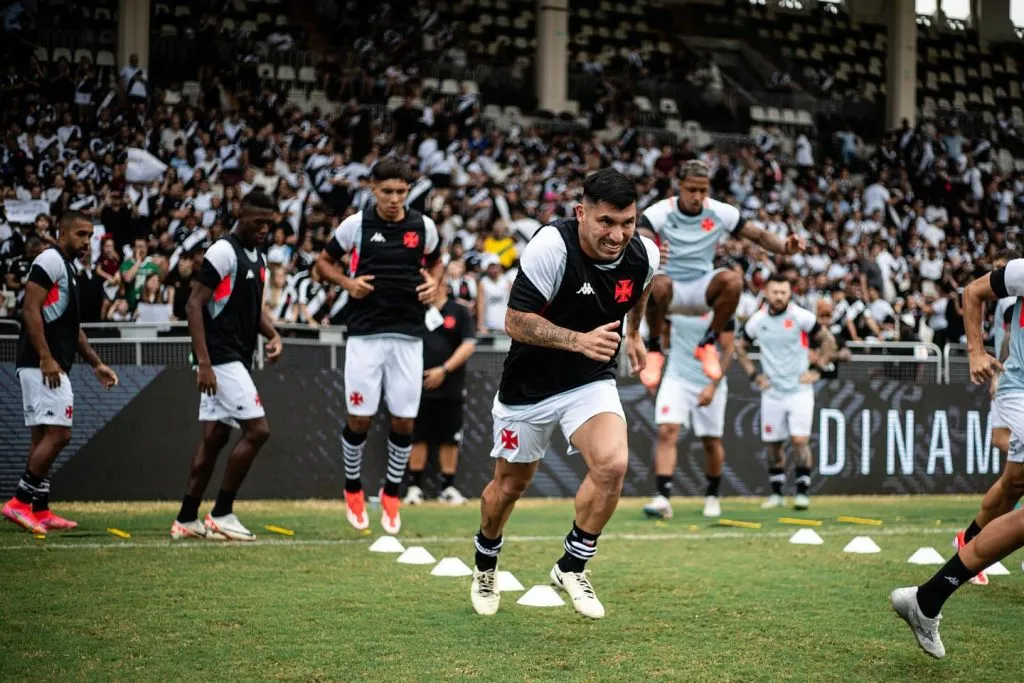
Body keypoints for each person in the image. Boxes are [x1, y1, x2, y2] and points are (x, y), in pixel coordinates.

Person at [469, 169, 659, 619]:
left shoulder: (644, 253)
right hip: (528, 386)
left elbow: (642, 288)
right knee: (509, 487)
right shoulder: (552, 246)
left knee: (612, 463)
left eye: (627, 222)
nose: (618, 234)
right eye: (606, 222)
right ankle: (485, 561)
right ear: (582, 214)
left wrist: (634, 335)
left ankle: (573, 565)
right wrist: (578, 339)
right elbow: (515, 322)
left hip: (589, 379)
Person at [890, 258, 1024, 659]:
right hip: (1020, 391)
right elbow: (973, 292)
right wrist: (976, 352)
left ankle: (927, 598)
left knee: (1015, 487)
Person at [315, 158, 443, 534]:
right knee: (360, 418)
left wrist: (434, 284)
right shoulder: (356, 225)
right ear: (372, 189)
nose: (394, 199)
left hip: (408, 335)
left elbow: (436, 264)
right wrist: (347, 283)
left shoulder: (424, 226)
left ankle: (391, 493)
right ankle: (353, 488)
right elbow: (323, 263)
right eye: (387, 191)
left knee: (404, 420)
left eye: (401, 192)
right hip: (365, 335)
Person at [170, 190, 283, 541]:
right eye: (258, 221)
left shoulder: (258, 257)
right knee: (258, 431)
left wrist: (273, 334)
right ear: (240, 215)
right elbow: (193, 305)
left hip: (233, 356)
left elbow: (250, 308)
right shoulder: (223, 251)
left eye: (270, 223)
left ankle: (187, 519)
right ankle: (221, 512)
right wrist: (204, 363)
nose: (265, 228)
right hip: (220, 358)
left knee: (216, 438)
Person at [638, 159, 803, 389]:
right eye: (691, 190)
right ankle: (654, 348)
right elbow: (639, 238)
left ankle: (707, 343)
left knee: (733, 280)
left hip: (702, 289)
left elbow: (760, 236)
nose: (697, 197)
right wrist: (652, 250)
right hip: (670, 286)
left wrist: (786, 247)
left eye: (703, 190)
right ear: (680, 186)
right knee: (656, 283)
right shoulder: (661, 211)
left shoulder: (719, 211)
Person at [2, 211, 119, 535]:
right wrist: (46, 357)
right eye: (80, 234)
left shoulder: (68, 268)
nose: (86, 241)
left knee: (43, 435)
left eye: (89, 235)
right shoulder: (50, 260)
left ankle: (39, 509)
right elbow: (29, 308)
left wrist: (96, 363)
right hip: (43, 363)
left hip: (45, 362)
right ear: (62, 232)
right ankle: (20, 502)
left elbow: (72, 327)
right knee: (60, 434)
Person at [735, 274, 834, 511]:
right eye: (775, 292)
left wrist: (817, 369)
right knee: (773, 446)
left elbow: (828, 340)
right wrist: (753, 375)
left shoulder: (802, 317)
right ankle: (777, 494)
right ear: (766, 293)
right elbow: (740, 347)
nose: (779, 296)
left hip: (799, 390)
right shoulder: (757, 321)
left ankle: (802, 492)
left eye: (783, 292)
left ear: (790, 294)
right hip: (772, 392)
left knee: (800, 440)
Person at [643, 312, 735, 520]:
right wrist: (654, 368)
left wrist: (713, 386)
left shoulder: (721, 306)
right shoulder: (673, 303)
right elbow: (662, 336)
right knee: (667, 431)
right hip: (677, 378)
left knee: (711, 442)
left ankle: (712, 496)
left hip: (710, 380)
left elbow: (728, 349)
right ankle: (663, 498)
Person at [404, 278, 477, 506]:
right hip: (417, 385)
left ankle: (447, 487)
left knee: (450, 438)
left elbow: (468, 344)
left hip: (450, 385)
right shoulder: (415, 309)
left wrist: (443, 370)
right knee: (418, 435)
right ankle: (414, 487)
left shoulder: (459, 312)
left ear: (444, 286)